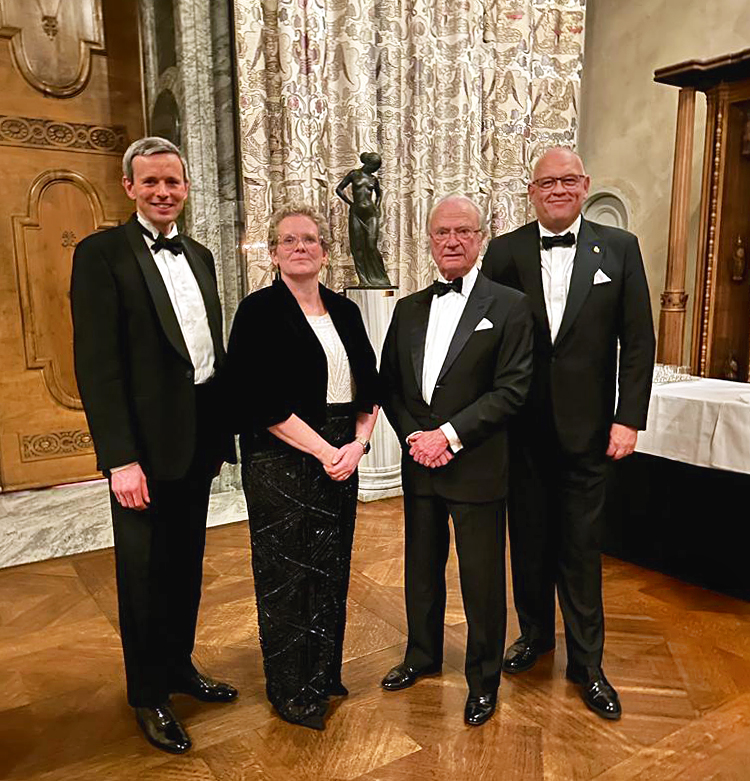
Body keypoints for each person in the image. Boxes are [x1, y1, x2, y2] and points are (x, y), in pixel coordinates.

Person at [70, 137, 238, 753]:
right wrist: (119, 457)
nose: (163, 192)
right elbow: (97, 365)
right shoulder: (100, 254)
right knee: (141, 573)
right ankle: (147, 693)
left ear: (186, 188)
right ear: (129, 187)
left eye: (173, 182)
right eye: (151, 183)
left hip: (195, 438)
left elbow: (206, 353)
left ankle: (177, 666)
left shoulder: (200, 254)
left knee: (185, 562)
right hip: (140, 450)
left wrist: (221, 434)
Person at [482, 147, 655, 720]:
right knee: (527, 543)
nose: (556, 189)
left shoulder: (620, 248)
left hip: (590, 432)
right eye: (545, 181)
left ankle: (587, 664)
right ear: (530, 191)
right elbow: (487, 339)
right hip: (521, 430)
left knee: (580, 550)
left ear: (584, 185)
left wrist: (628, 417)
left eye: (567, 180)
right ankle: (535, 637)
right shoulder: (504, 251)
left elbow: (638, 340)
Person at [379, 195, 533, 727]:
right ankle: (421, 654)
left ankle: (483, 679)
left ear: (481, 238)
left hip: (477, 466)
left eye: (463, 232)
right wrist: (414, 438)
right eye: (442, 232)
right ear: (429, 239)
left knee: (481, 580)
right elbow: (390, 386)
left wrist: (446, 436)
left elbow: (512, 390)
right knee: (421, 571)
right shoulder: (408, 308)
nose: (452, 241)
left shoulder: (509, 305)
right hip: (420, 465)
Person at [226, 203, 380, 731]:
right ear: (272, 253)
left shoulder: (346, 311)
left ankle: (323, 671)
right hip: (281, 457)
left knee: (332, 566)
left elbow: (370, 388)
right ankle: (291, 686)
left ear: (324, 252)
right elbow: (257, 399)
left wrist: (358, 446)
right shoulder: (258, 312)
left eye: (310, 239)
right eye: (288, 240)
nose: (300, 247)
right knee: (287, 574)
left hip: (342, 453)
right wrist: (324, 451)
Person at [335, 151, 391, 287]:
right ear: (369, 164)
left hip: (371, 214)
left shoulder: (373, 179)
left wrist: (377, 207)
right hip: (356, 214)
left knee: (371, 245)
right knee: (358, 247)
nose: (376, 169)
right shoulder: (355, 174)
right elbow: (339, 189)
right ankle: (364, 279)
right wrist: (350, 203)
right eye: (375, 166)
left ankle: (380, 278)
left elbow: (379, 194)